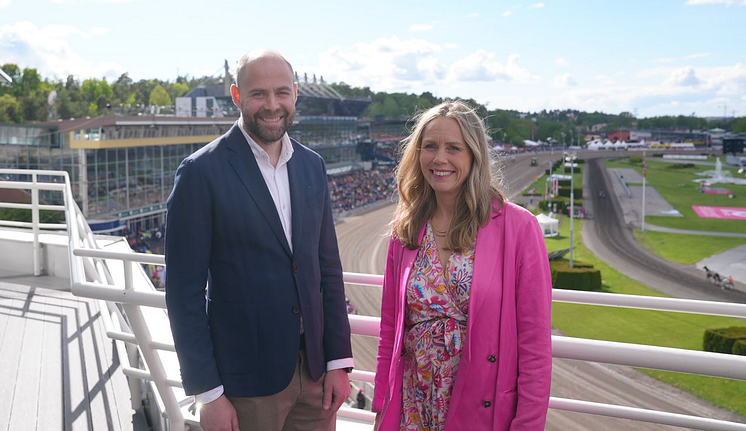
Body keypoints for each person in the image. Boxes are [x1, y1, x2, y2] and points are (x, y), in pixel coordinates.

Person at [165, 49, 353, 431]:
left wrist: (338, 363)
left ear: (296, 94)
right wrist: (208, 393)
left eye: (282, 93)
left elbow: (327, 271)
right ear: (236, 96)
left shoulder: (312, 165)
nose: (272, 105)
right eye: (258, 94)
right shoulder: (200, 173)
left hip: (316, 375)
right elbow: (183, 293)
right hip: (245, 384)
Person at [372, 101, 552, 431]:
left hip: (480, 408)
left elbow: (535, 346)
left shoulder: (519, 228)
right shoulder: (407, 226)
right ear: (418, 153)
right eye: (430, 147)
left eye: (453, 148)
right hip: (412, 407)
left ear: (474, 154)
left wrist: (527, 425)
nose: (440, 158)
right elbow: (390, 330)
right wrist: (382, 404)